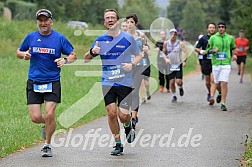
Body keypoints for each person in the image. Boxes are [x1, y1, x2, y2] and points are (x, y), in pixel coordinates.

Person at [16, 9, 77, 157]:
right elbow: (18, 51)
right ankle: (48, 124)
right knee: (36, 117)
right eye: (40, 20)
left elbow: (73, 55)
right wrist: (24, 54)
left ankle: (47, 145)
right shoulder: (30, 37)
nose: (43, 23)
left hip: (52, 81)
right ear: (37, 22)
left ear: (51, 21)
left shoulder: (59, 38)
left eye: (46, 20)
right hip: (34, 81)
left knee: (50, 114)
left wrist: (65, 60)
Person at [84, 9, 142, 156]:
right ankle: (118, 143)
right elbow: (86, 59)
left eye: (112, 17)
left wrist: (132, 65)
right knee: (111, 113)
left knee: (123, 116)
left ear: (117, 21)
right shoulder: (100, 40)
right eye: (107, 18)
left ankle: (128, 126)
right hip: (108, 82)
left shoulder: (128, 38)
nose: (110, 20)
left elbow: (139, 55)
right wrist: (92, 52)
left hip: (124, 81)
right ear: (104, 22)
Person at [207, 22, 236, 111]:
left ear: (225, 28)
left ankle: (223, 103)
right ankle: (219, 94)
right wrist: (213, 51)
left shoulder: (230, 38)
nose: (221, 28)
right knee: (216, 83)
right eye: (219, 27)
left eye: (222, 27)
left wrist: (234, 55)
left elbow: (233, 47)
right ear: (217, 28)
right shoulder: (213, 38)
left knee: (224, 82)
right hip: (216, 63)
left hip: (226, 63)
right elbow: (207, 50)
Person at [125, 13, 145, 130]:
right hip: (126, 67)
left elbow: (144, 49)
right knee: (127, 91)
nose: (129, 24)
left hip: (138, 66)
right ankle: (127, 113)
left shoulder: (141, 35)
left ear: (135, 24)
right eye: (128, 22)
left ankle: (133, 117)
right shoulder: (123, 36)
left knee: (134, 91)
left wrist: (145, 48)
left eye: (132, 22)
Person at [195, 23, 221, 103]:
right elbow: (196, 48)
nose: (212, 29)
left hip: (215, 61)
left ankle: (213, 96)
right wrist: (201, 51)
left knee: (214, 81)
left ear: (215, 29)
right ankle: (209, 92)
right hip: (206, 61)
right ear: (208, 29)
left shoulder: (218, 38)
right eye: (210, 28)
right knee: (207, 81)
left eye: (213, 27)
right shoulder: (203, 38)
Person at [162, 29, 188, 103]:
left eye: (175, 34)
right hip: (170, 64)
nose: (173, 36)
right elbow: (163, 53)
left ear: (176, 35)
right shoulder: (166, 43)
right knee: (172, 82)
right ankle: (174, 95)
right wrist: (166, 59)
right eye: (171, 34)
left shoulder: (180, 43)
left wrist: (184, 61)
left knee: (179, 81)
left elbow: (186, 52)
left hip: (178, 64)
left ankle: (180, 87)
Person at [140, 33, 152, 103]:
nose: (142, 39)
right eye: (141, 38)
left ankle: (147, 91)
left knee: (146, 83)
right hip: (139, 66)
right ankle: (143, 97)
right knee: (141, 83)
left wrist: (146, 50)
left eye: (143, 38)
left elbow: (150, 54)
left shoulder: (147, 46)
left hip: (146, 65)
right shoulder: (137, 45)